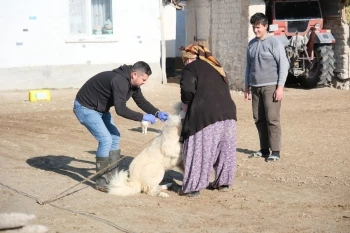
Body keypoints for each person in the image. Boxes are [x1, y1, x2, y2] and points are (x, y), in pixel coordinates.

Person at [73, 61, 169, 192]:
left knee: (115, 137)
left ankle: (111, 176)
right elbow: (121, 109)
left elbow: (141, 101)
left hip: (101, 109)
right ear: (134, 74)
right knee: (106, 139)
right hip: (85, 107)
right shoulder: (119, 81)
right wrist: (142, 117)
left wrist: (157, 113)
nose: (144, 82)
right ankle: (102, 181)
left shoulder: (132, 83)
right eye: (143, 79)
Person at [179, 44, 237, 197]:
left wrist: (185, 105)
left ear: (188, 58)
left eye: (184, 60)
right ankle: (223, 182)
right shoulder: (216, 66)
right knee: (225, 150)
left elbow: (187, 90)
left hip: (206, 115)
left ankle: (193, 187)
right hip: (228, 114)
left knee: (199, 149)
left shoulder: (190, 68)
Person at [244, 13, 289, 162]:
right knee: (259, 119)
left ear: (265, 26)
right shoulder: (251, 44)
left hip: (271, 87)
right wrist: (246, 87)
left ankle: (275, 151)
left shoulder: (274, 43)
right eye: (253, 27)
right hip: (255, 87)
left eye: (258, 27)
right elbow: (248, 67)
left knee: (272, 119)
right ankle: (264, 149)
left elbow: (284, 65)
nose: (255, 30)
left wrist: (280, 87)